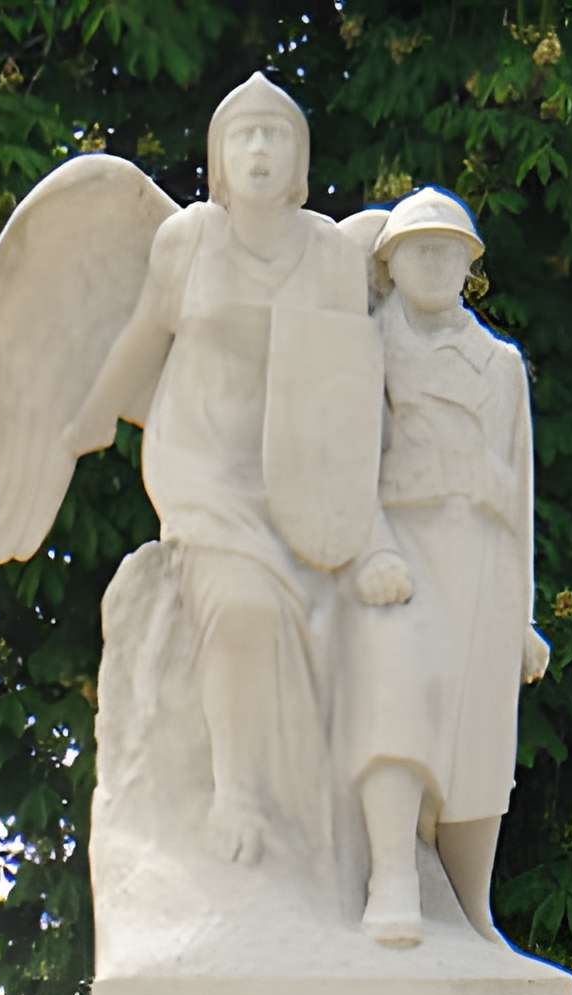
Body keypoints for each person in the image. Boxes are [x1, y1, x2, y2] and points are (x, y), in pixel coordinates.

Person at [64, 74, 394, 867]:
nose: (257, 149)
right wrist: (92, 413)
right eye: (242, 134)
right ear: (217, 155)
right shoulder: (189, 241)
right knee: (242, 608)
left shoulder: (331, 254)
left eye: (274, 135)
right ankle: (237, 791)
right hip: (200, 459)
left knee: (351, 622)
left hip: (297, 474)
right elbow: (146, 336)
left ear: (300, 158)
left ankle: (360, 843)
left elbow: (355, 389)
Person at [342, 187, 549, 947]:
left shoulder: (501, 365)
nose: (434, 263)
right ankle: (392, 874)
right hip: (401, 547)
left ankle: (471, 908)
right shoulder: (366, 346)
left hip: (484, 558)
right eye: (416, 250)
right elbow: (344, 461)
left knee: (483, 733)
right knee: (400, 696)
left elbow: (519, 495)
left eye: (448, 251)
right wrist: (371, 549)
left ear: (470, 265)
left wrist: (524, 617)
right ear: (389, 264)